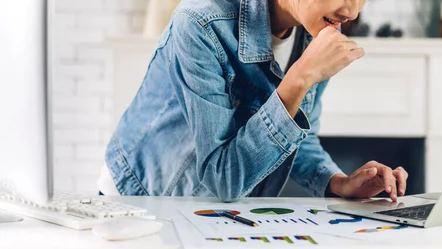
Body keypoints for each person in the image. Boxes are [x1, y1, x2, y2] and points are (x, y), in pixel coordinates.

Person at [98, 0, 409, 202]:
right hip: (141, 204)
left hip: (217, 212)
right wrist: (299, 78)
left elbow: (297, 136)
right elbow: (223, 178)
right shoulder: (200, 23)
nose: (353, 11)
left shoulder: (316, 33)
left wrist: (338, 182)